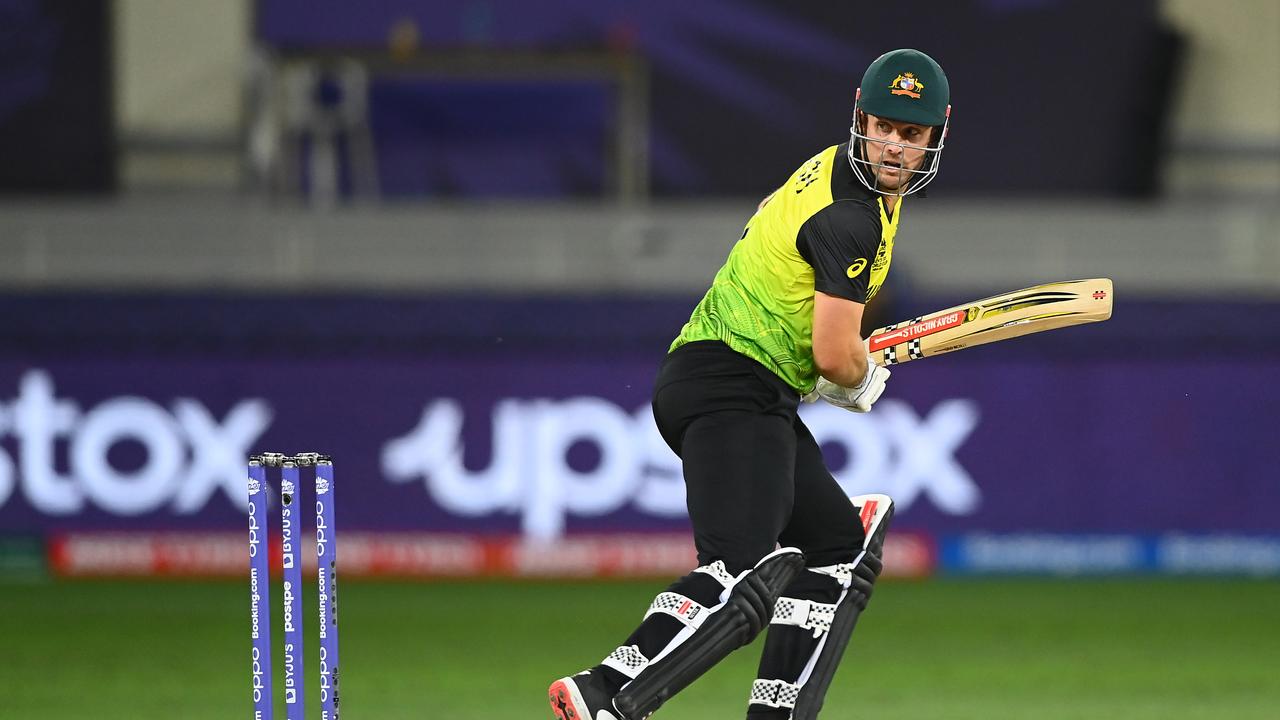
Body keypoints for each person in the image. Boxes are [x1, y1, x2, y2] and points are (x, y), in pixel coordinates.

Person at [548, 48, 951, 720]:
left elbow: (815, 334)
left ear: (935, 136)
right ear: (861, 115)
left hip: (729, 382)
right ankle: (604, 690)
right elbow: (833, 352)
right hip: (732, 385)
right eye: (883, 126)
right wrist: (861, 379)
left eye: (911, 135)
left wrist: (835, 365)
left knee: (835, 551)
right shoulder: (852, 215)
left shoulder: (841, 176)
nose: (893, 147)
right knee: (743, 571)